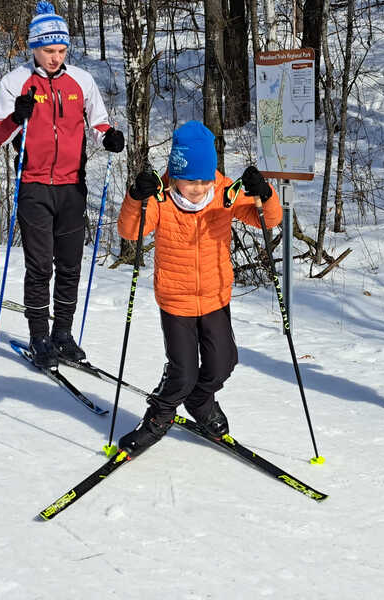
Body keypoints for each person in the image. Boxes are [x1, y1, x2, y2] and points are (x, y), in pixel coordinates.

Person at [116, 120, 282, 456]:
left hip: (215, 295)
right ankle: (158, 417)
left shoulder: (224, 194)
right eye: (191, 180)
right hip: (175, 300)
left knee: (224, 362)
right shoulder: (160, 198)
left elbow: (269, 219)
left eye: (205, 178)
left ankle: (201, 400)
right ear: (176, 174)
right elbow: (131, 231)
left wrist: (265, 193)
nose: (199, 187)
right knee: (184, 371)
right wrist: (136, 197)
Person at [0, 1, 125, 368]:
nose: (55, 57)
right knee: (40, 267)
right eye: (49, 50)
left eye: (62, 50)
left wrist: (110, 136)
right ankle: (39, 337)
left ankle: (62, 334)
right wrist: (18, 115)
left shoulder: (81, 80)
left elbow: (98, 124)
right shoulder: (15, 82)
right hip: (33, 184)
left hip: (72, 185)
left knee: (70, 265)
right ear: (33, 47)